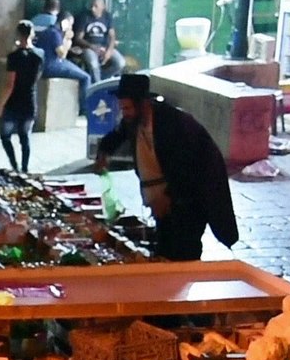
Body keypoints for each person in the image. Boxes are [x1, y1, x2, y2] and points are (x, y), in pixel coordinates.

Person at [93, 73, 238, 261]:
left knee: (184, 249)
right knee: (164, 248)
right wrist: (104, 152)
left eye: (128, 108)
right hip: (165, 198)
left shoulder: (173, 124)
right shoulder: (134, 120)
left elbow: (186, 170)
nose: (125, 113)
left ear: (143, 104)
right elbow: (117, 135)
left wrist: (168, 198)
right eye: (123, 108)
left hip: (191, 196)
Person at [0, 20, 43, 174]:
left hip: (13, 102)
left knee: (5, 136)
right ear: (32, 34)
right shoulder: (39, 55)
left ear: (18, 34)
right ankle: (25, 168)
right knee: (25, 136)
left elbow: (10, 84)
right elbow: (38, 76)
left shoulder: (14, 57)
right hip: (29, 100)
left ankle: (14, 166)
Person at [34, 9, 92, 114]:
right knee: (86, 77)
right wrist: (67, 39)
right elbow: (62, 54)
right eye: (70, 24)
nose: (71, 27)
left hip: (44, 64)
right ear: (65, 22)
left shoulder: (49, 31)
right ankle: (85, 108)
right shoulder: (55, 34)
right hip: (51, 65)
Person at [75, 0, 126, 83]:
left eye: (96, 6)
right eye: (92, 6)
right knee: (94, 64)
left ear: (103, 7)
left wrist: (109, 51)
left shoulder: (107, 17)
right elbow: (78, 38)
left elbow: (112, 36)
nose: (92, 9)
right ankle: (97, 86)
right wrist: (92, 46)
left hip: (104, 47)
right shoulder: (85, 17)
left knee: (120, 63)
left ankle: (102, 80)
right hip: (89, 48)